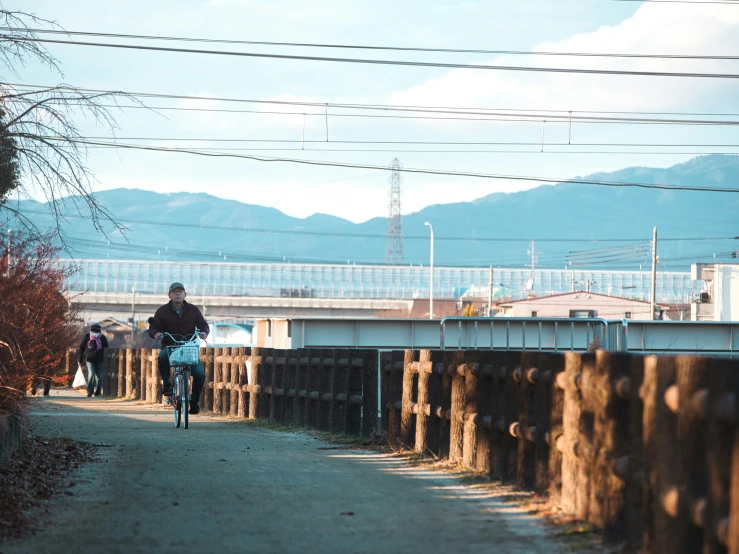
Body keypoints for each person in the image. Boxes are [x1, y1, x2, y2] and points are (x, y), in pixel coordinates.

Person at [147, 282, 209, 415]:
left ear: (185, 295)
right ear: (169, 295)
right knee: (162, 357)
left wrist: (203, 332)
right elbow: (153, 327)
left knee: (200, 374)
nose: (178, 294)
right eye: (175, 292)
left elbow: (203, 324)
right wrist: (157, 333)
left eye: (180, 292)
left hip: (188, 347)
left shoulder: (193, 310)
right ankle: (167, 384)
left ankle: (194, 401)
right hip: (170, 346)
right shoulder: (162, 311)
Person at [78, 323, 109, 397]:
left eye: (97, 332)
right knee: (91, 374)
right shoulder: (87, 337)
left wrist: (106, 360)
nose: (95, 334)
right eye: (93, 332)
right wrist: (80, 359)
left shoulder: (102, 338)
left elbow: (107, 349)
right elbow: (81, 348)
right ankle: (90, 391)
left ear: (100, 331)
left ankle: (98, 392)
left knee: (99, 377)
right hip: (89, 359)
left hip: (100, 359)